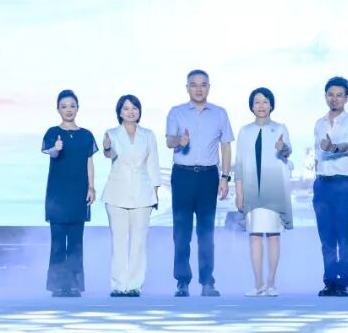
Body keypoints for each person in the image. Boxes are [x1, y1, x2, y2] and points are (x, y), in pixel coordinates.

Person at [165, 69, 234, 297]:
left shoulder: (220, 113)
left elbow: (226, 146)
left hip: (208, 176)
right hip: (183, 175)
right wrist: (180, 140)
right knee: (181, 231)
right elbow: (169, 141)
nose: (198, 89)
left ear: (209, 87)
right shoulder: (176, 112)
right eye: (193, 85)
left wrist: (225, 177)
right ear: (187, 88)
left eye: (203, 84)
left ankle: (207, 282)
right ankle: (182, 282)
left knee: (206, 232)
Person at [234, 87, 293, 297]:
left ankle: (271, 283)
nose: (261, 105)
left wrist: (282, 147)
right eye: (257, 102)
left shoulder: (280, 128)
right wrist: (239, 193)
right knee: (255, 235)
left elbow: (287, 152)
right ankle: (258, 283)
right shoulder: (244, 131)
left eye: (265, 101)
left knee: (274, 235)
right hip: (251, 190)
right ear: (251, 106)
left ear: (271, 105)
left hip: (274, 189)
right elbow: (239, 164)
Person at [101, 94, 161, 297]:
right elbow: (109, 154)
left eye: (134, 108)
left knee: (139, 242)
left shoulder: (148, 135)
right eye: (126, 108)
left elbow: (153, 165)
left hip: (143, 194)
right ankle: (118, 285)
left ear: (139, 111)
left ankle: (135, 284)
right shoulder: (112, 134)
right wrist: (107, 147)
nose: (130, 111)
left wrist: (155, 194)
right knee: (119, 241)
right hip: (116, 194)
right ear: (119, 112)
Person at [41, 89, 97, 297]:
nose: (68, 110)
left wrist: (91, 187)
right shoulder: (52, 132)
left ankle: (74, 285)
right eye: (64, 106)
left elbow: (89, 161)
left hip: (78, 194)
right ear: (58, 109)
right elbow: (51, 153)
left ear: (78, 108)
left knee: (75, 242)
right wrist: (56, 148)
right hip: (57, 195)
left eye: (72, 106)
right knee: (57, 243)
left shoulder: (86, 135)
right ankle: (57, 286)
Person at [312, 75, 348, 297]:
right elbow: (317, 156)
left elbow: (347, 145)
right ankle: (330, 280)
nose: (335, 99)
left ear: (347, 98)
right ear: (325, 96)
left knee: (343, 235)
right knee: (326, 236)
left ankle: (344, 281)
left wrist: (333, 147)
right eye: (331, 95)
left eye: (339, 95)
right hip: (322, 183)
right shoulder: (319, 123)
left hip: (343, 182)